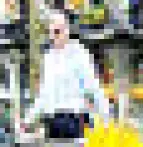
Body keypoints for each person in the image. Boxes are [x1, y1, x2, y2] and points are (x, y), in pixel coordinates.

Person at [23, 10, 112, 139]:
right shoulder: (49, 57)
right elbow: (44, 93)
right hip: (53, 121)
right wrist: (28, 119)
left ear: (67, 30)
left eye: (58, 31)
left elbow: (93, 85)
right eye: (52, 32)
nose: (55, 36)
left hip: (75, 120)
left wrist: (106, 118)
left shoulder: (79, 53)